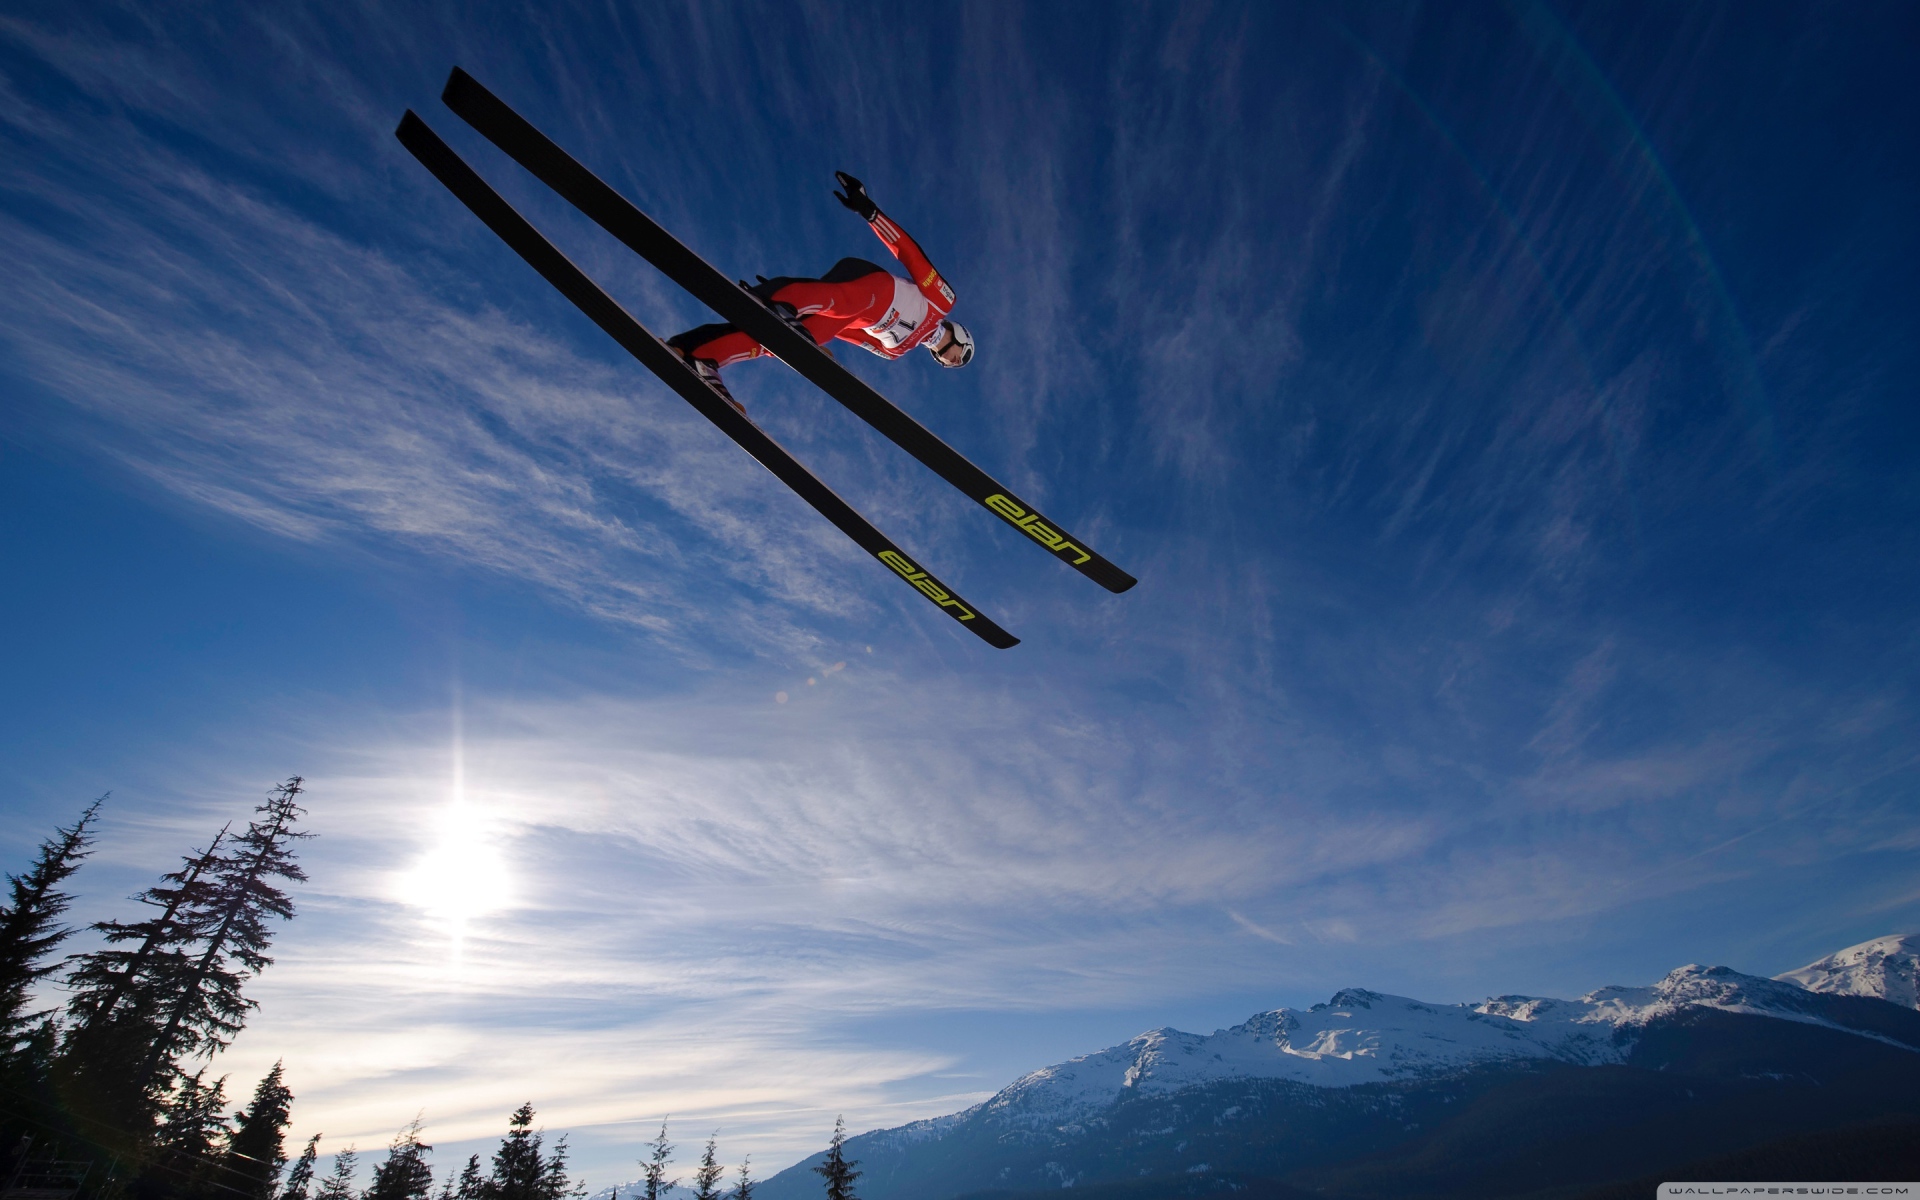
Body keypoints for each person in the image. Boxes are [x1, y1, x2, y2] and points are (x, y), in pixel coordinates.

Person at [668, 172, 974, 412]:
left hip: (847, 314)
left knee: (785, 341)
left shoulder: (895, 351)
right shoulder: (943, 301)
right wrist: (871, 213)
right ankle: (783, 300)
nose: (953, 362)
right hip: (867, 285)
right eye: (962, 357)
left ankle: (700, 356)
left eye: (954, 365)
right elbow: (911, 255)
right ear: (962, 337)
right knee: (847, 303)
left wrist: (808, 332)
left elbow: (848, 332)